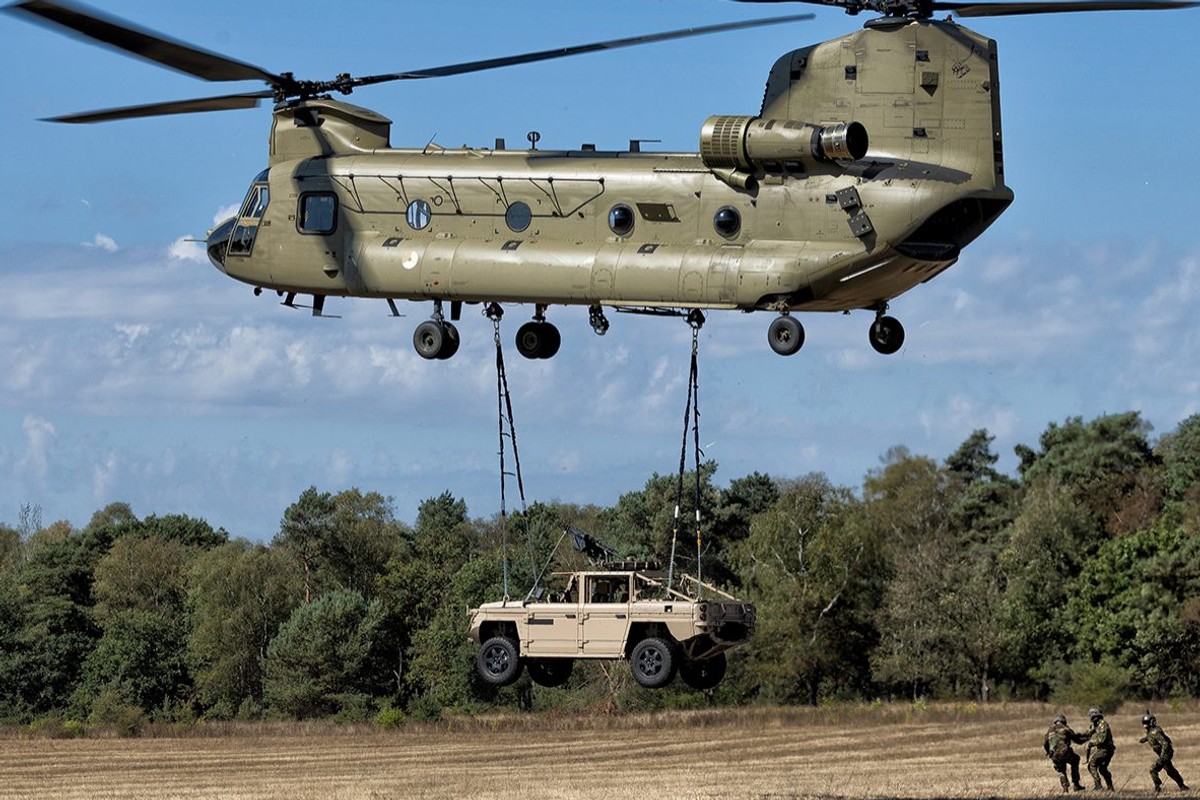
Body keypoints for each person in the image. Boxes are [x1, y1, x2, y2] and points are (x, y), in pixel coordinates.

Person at [1139, 712, 1189, 794]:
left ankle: (1157, 787)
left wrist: (1163, 757)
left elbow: (1165, 743)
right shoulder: (1151, 732)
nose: (1145, 725)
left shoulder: (1155, 732)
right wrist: (1145, 739)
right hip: (1164, 754)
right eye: (1144, 723)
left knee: (1153, 770)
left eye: (1146, 723)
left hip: (1166, 753)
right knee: (1170, 770)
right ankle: (1182, 786)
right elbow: (1151, 737)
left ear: (1151, 722)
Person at [1044, 713, 1087, 792]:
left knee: (1060, 769)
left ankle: (1065, 787)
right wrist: (1086, 739)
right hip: (1065, 753)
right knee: (1075, 759)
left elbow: (1045, 743)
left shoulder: (1049, 730)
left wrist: (1048, 752)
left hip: (1054, 755)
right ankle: (1076, 784)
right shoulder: (1066, 728)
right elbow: (1077, 740)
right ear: (1064, 721)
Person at [1083, 706, 1116, 791]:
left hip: (1106, 750)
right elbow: (1090, 732)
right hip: (1105, 749)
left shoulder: (1102, 725)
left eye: (1091, 716)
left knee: (1092, 764)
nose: (1090, 718)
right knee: (1102, 769)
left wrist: (1092, 743)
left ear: (1095, 716)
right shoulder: (1097, 724)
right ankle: (1110, 787)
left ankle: (1098, 786)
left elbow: (1101, 740)